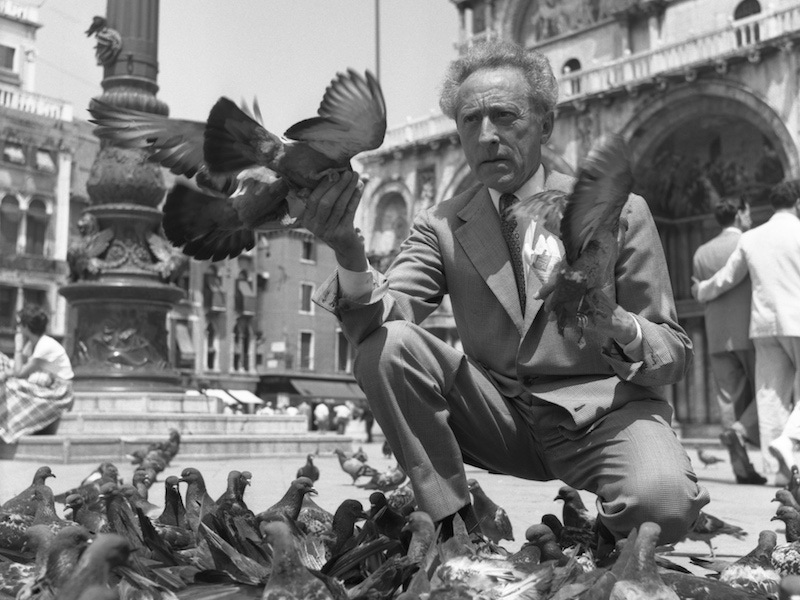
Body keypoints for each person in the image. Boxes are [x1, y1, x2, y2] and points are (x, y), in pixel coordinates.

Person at [304, 39, 708, 547]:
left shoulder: (621, 211)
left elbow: (672, 356)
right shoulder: (442, 224)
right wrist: (346, 248)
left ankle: (601, 538)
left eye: (504, 115)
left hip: (601, 416)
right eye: (470, 121)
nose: (487, 135)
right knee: (386, 347)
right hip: (498, 419)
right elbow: (376, 325)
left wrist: (622, 327)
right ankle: (452, 528)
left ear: (545, 123)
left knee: (663, 506)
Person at [693, 181, 800, 485]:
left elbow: (724, 278)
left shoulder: (751, 238)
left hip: (761, 326)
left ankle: (777, 472)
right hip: (794, 320)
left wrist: (700, 290)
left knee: (769, 396)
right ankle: (787, 441)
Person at [692, 197, 766, 485]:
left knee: (729, 399)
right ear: (739, 213)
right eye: (747, 211)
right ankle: (743, 428)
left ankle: (741, 468)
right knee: (770, 389)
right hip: (749, 329)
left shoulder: (701, 252)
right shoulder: (750, 241)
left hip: (717, 334)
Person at [0, 304, 74, 443]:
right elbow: (18, 366)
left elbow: (20, 373)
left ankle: (8, 428)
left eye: (19, 324)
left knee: (12, 386)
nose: (17, 328)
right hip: (50, 386)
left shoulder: (45, 345)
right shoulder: (34, 343)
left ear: (26, 327)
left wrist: (18, 347)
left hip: (61, 391)